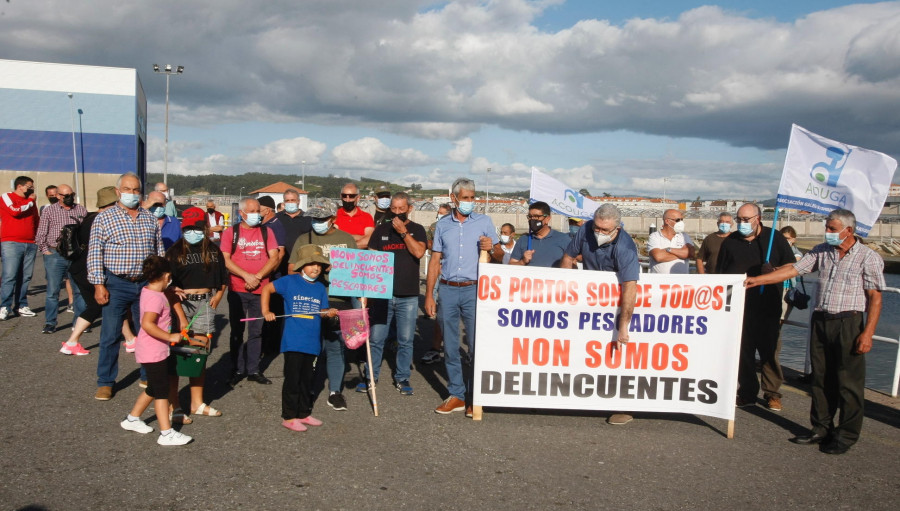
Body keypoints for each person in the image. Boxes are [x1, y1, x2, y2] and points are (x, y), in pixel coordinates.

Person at [745, 209, 884, 455]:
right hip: (821, 320)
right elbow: (794, 270)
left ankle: (846, 435)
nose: (827, 232)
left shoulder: (868, 257)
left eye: (832, 229)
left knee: (848, 383)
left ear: (848, 230)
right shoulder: (821, 251)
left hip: (849, 322)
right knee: (820, 379)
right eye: (827, 228)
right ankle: (821, 428)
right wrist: (759, 280)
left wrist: (867, 333)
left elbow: (875, 298)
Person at [424, 178, 499, 417]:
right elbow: (435, 261)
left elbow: (498, 253)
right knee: (451, 345)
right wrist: (429, 294)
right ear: (454, 198)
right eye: (465, 197)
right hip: (447, 288)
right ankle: (456, 394)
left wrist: (491, 246)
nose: (469, 202)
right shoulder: (443, 225)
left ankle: (474, 396)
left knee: (476, 345)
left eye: (472, 197)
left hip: (474, 289)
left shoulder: (484, 222)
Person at [561, 204, 640, 425]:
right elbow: (568, 258)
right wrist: (566, 290)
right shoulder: (586, 230)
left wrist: (624, 324)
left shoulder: (625, 248)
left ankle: (623, 406)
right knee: (584, 349)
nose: (599, 233)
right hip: (589, 301)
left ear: (617, 228)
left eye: (605, 230)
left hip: (617, 301)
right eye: (597, 227)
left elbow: (630, 288)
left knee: (616, 354)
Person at [88, 173, 164, 401]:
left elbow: (158, 250)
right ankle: (106, 382)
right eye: (128, 189)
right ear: (118, 191)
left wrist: (161, 282)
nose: (132, 194)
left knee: (148, 332)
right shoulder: (104, 218)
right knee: (110, 334)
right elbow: (94, 253)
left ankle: (147, 375)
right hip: (117, 283)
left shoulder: (149, 218)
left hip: (145, 284)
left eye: (136, 190)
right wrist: (98, 284)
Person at [716, 203, 794, 411]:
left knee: (769, 351)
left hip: (768, 306)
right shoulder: (730, 242)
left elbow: (792, 267)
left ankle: (772, 393)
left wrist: (771, 272)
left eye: (746, 219)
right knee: (743, 352)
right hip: (739, 307)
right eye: (739, 219)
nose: (741, 223)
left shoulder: (774, 238)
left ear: (758, 219)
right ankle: (747, 392)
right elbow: (720, 275)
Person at [287, 201, 358, 411]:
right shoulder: (304, 239)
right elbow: (291, 269)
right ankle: (307, 388)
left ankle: (335, 391)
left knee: (336, 347)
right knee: (311, 348)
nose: (316, 222)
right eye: (314, 218)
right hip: (311, 301)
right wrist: (313, 267)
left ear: (333, 219)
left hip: (339, 300)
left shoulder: (346, 239)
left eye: (321, 219)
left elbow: (357, 271)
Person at [118, 255, 194, 446]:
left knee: (153, 387)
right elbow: (147, 324)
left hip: (155, 350)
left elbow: (165, 293)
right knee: (162, 392)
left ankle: (132, 419)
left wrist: (172, 290)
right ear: (166, 275)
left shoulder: (151, 290)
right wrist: (171, 337)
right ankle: (166, 433)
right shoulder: (155, 299)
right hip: (153, 351)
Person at [262, 244, 338, 432]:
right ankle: (288, 416)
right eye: (312, 264)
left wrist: (328, 312)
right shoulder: (289, 281)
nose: (316, 268)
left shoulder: (320, 288)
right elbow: (267, 289)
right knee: (292, 379)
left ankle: (303, 413)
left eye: (319, 265)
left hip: (312, 342)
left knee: (307, 380)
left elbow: (321, 311)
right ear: (302, 265)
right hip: (293, 341)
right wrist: (266, 311)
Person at [360, 192, 426, 395]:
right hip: (382, 294)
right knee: (377, 338)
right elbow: (371, 260)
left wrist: (404, 233)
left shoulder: (417, 230)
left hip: (408, 295)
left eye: (401, 209)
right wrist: (366, 292)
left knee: (405, 340)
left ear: (409, 209)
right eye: (394, 209)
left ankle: (402, 377)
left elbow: (419, 253)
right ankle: (371, 375)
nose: (397, 213)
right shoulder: (381, 230)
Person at [165, 207, 228, 419]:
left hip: (204, 305)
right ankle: (174, 405)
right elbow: (167, 287)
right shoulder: (174, 252)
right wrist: (181, 317)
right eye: (188, 228)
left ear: (205, 227)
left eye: (197, 228)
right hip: (180, 305)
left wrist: (218, 297)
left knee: (199, 356)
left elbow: (223, 279)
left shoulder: (213, 250)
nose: (193, 232)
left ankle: (197, 403)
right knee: (176, 355)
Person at [221, 198, 280, 387]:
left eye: (259, 211)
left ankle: (253, 369)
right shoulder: (231, 232)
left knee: (257, 331)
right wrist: (246, 276)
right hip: (238, 290)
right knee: (237, 331)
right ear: (242, 213)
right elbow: (226, 259)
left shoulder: (267, 231)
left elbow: (274, 257)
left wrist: (258, 276)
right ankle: (237, 368)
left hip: (260, 291)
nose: (257, 214)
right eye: (253, 211)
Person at [59, 187, 117, 356]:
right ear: (112, 204)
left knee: (100, 304)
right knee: (104, 303)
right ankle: (72, 341)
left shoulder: (89, 216)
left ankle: (130, 340)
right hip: (88, 270)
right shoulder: (100, 220)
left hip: (78, 268)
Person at [35, 184, 87, 333]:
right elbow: (40, 235)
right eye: (66, 195)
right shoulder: (49, 211)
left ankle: (79, 323)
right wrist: (46, 251)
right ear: (58, 196)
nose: (70, 198)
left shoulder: (80, 210)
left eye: (72, 194)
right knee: (53, 291)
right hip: (55, 255)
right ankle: (50, 323)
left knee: (79, 290)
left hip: (75, 256)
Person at [0, 176, 40, 321]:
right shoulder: (6, 197)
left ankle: (21, 305)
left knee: (25, 276)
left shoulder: (31, 203)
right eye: (29, 186)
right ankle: (4, 306)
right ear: (20, 186)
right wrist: (30, 202)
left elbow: (36, 220)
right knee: (10, 276)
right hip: (11, 242)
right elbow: (15, 211)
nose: (32, 189)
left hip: (30, 243)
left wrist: (37, 239)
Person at [422, 203, 452, 365]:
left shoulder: (456, 226)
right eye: (438, 213)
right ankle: (435, 347)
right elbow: (429, 244)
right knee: (440, 308)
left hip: (452, 269)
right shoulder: (435, 227)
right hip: (437, 263)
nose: (438, 215)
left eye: (442, 213)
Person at [509, 201, 571, 268]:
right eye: (530, 217)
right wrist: (522, 261)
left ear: (547, 219)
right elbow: (511, 265)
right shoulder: (523, 239)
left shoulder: (563, 239)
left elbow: (573, 265)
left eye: (536, 216)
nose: (532, 220)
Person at [647, 209, 695, 274]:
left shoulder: (684, 236)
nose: (681, 222)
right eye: (677, 220)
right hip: (660, 282)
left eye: (682, 220)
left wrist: (669, 250)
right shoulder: (655, 236)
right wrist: (682, 253)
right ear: (667, 221)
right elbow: (658, 257)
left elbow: (691, 253)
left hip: (681, 282)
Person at [333, 183, 374, 249]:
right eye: (344, 196)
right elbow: (333, 240)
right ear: (341, 197)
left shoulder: (367, 217)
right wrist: (358, 237)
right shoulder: (333, 216)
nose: (347, 199)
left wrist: (346, 245)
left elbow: (369, 240)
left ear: (358, 198)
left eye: (351, 196)